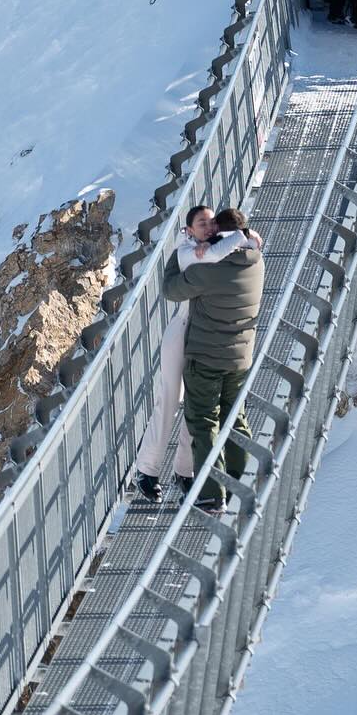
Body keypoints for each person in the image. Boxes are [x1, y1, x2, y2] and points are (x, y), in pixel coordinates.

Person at [135, 206, 263, 501]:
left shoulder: (214, 248)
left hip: (202, 337)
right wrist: (245, 236)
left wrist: (242, 237)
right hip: (182, 331)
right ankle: (147, 469)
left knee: (196, 405)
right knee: (170, 398)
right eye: (201, 223)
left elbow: (229, 249)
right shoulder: (192, 253)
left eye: (212, 222)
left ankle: (185, 470)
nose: (208, 227)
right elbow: (175, 285)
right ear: (189, 230)